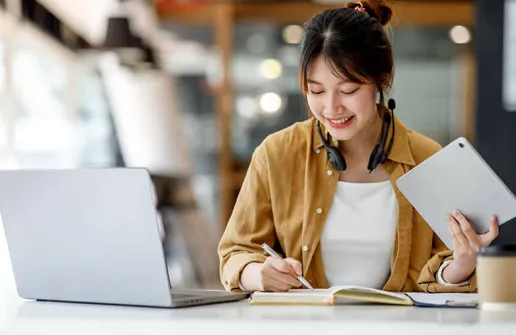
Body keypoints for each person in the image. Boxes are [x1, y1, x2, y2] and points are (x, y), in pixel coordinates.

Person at [217, 0, 499, 293]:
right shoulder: (276, 154)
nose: (331, 108)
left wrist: (462, 266)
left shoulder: (428, 158)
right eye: (316, 91)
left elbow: (441, 269)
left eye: (348, 90)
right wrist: (256, 274)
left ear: (382, 80)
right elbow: (235, 253)